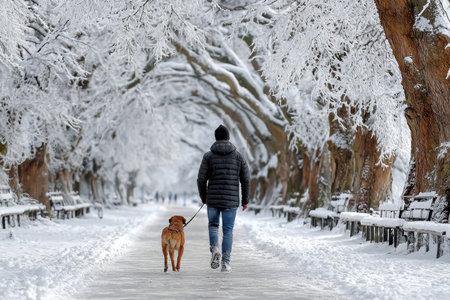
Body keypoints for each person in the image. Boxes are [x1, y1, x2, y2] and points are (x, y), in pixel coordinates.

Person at [197, 124, 250, 273]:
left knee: (213, 225)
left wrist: (204, 197)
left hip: (213, 199)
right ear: (228, 138)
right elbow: (245, 179)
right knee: (228, 230)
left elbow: (201, 179)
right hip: (231, 201)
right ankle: (225, 262)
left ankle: (215, 248)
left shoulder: (208, 156)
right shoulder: (238, 156)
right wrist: (245, 200)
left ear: (216, 138)